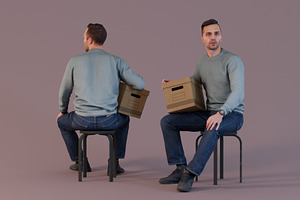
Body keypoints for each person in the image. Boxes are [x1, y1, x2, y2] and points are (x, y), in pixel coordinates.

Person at [159, 19, 245, 192]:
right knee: (167, 121)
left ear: (221, 37)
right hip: (209, 113)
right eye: (208, 34)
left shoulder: (232, 60)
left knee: (213, 127)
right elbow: (194, 85)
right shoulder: (202, 62)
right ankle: (180, 167)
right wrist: (174, 84)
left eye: (216, 33)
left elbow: (238, 93)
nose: (213, 37)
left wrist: (221, 113)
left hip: (232, 115)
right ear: (202, 39)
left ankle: (190, 173)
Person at [56, 23, 145, 175]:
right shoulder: (116, 61)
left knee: (61, 122)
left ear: (90, 40)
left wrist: (62, 111)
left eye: (84, 38)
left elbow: (64, 91)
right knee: (125, 119)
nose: (83, 40)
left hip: (81, 119)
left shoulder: (74, 61)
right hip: (109, 119)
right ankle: (114, 163)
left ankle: (81, 162)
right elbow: (140, 84)